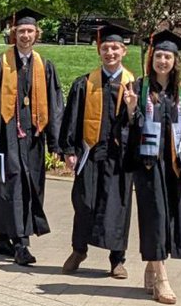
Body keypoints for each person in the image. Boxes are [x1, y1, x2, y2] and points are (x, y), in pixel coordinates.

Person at [0, 8, 64, 266]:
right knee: (9, 186)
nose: (26, 35)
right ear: (14, 33)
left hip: (32, 138)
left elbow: (55, 106)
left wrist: (55, 143)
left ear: (36, 34)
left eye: (30, 31)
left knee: (26, 186)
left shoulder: (45, 67)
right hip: (4, 136)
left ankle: (2, 239)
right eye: (21, 31)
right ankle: (21, 244)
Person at [129, 29, 181, 305]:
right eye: (159, 55)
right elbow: (126, 129)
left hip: (173, 165)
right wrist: (129, 111)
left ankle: (152, 267)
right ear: (152, 58)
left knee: (170, 218)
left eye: (168, 56)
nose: (163, 61)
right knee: (155, 218)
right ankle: (162, 278)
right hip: (148, 165)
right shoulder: (138, 88)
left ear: (175, 60)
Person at [59, 23, 138, 279]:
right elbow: (71, 118)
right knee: (84, 203)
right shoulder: (85, 83)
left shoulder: (133, 86)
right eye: (105, 48)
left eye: (115, 48)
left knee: (117, 207)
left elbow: (139, 125)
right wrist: (69, 150)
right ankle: (79, 250)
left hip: (120, 157)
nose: (110, 53)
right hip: (90, 154)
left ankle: (117, 260)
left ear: (124, 51)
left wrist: (130, 108)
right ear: (98, 50)